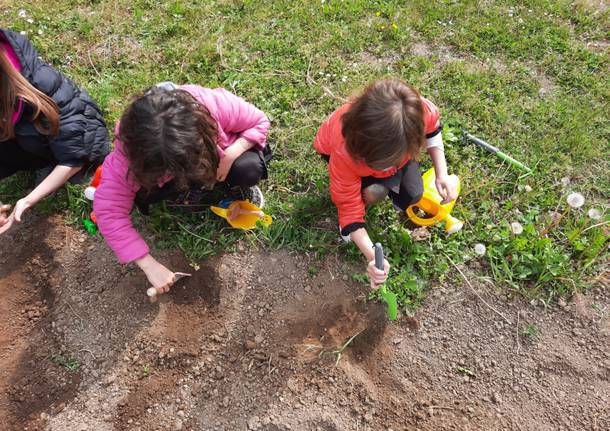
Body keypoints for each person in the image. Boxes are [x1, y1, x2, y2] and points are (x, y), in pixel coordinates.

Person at [94, 83, 271, 295]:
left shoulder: (214, 106)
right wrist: (148, 264)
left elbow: (260, 120)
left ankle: (212, 183)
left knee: (248, 169)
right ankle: (188, 190)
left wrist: (233, 152)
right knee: (142, 191)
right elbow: (108, 211)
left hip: (222, 158)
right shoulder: (126, 157)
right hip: (173, 172)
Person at [314, 79, 458, 288]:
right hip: (346, 157)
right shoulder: (344, 152)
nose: (387, 168)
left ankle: (384, 182)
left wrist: (441, 173)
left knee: (413, 194)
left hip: (379, 154)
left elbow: (433, 129)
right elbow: (349, 209)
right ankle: (363, 199)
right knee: (373, 193)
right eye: (382, 165)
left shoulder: (413, 112)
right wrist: (371, 255)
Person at [0, 28, 110, 232]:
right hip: (32, 138)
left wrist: (27, 200)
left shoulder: (40, 84)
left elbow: (73, 158)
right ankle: (45, 165)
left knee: (79, 166)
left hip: (80, 137)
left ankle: (54, 167)